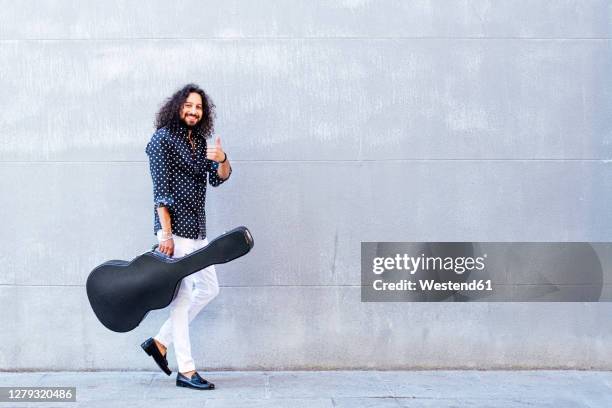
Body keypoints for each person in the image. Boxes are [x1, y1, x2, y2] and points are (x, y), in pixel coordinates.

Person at [140, 83, 231, 390]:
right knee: (183, 297)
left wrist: (222, 158)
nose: (193, 111)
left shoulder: (198, 141)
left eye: (199, 107)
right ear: (178, 106)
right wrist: (164, 233)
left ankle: (160, 342)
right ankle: (187, 371)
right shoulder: (162, 140)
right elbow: (160, 190)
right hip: (174, 231)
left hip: (197, 229)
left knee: (209, 288)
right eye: (189, 105)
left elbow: (218, 179)